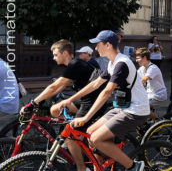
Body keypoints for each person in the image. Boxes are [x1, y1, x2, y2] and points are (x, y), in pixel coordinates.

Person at [60, 30, 150, 171]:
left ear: (108, 45)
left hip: (136, 110)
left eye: (98, 44)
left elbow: (107, 91)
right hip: (124, 107)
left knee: (96, 138)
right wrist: (71, 99)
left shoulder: (122, 63)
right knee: (90, 132)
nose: (96, 48)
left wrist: (86, 116)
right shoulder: (112, 63)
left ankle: (134, 166)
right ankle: (102, 164)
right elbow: (96, 84)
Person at [20, 39, 108, 171]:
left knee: (68, 136)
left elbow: (54, 87)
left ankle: (81, 167)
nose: (54, 58)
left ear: (65, 53)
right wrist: (43, 99)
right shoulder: (75, 64)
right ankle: (76, 137)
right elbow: (58, 88)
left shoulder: (75, 64)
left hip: (92, 103)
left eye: (56, 55)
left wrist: (33, 103)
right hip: (87, 100)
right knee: (55, 109)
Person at [135, 48, 167, 120]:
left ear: (145, 58)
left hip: (158, 95)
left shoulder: (153, 68)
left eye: (138, 58)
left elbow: (144, 79)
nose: (136, 60)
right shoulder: (142, 68)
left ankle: (160, 122)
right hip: (149, 95)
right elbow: (134, 78)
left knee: (142, 108)